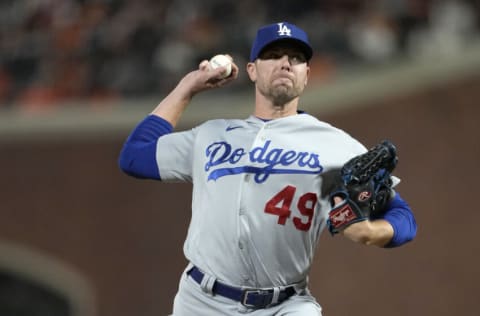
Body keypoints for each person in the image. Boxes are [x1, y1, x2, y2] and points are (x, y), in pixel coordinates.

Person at [118, 21, 417, 316]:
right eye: (273, 55)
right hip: (201, 301)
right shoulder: (211, 135)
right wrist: (187, 88)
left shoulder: (337, 145)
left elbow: (403, 218)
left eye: (296, 58)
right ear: (252, 70)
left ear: (306, 75)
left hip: (285, 305)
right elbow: (134, 155)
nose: (286, 63)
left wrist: (371, 231)